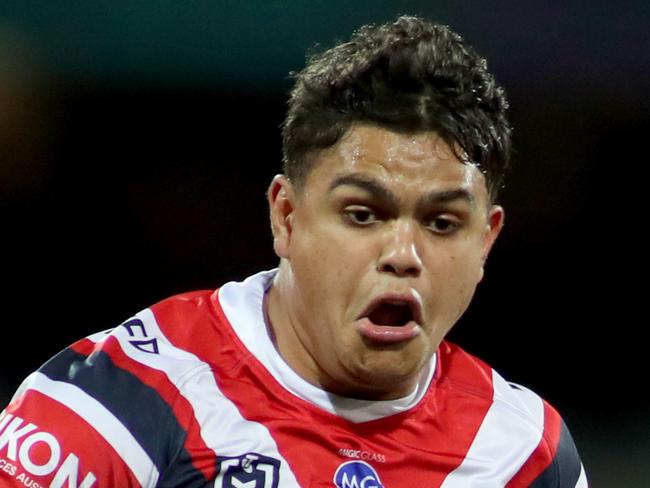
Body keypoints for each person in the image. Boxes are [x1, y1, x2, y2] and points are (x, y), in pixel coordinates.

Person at [0, 15, 587, 488]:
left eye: (441, 222)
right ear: (286, 216)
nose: (403, 254)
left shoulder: (524, 457)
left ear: (486, 241)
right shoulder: (120, 404)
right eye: (364, 214)